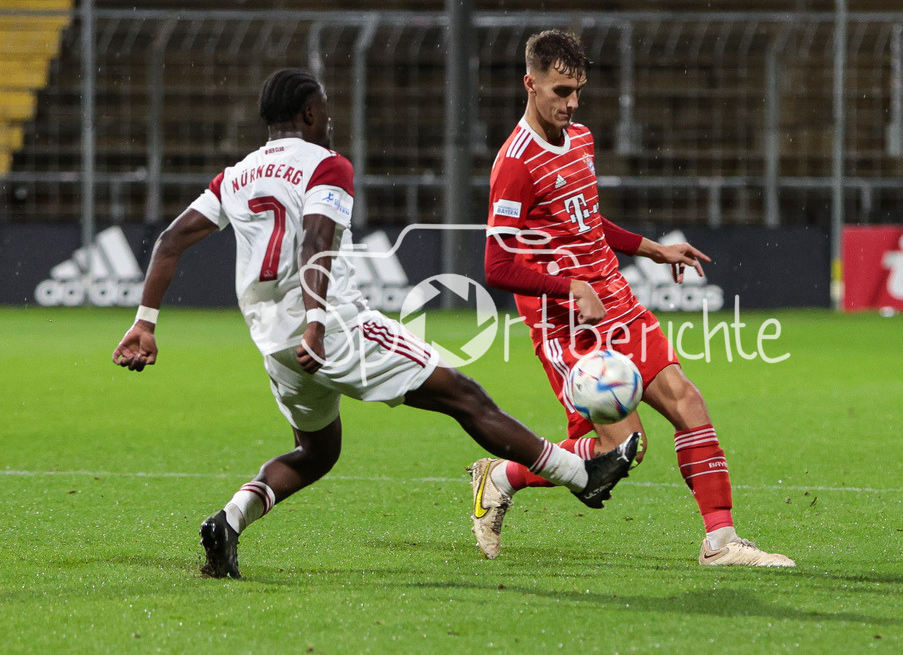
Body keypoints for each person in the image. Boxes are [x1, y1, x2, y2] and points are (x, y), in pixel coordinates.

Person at [112, 68, 639, 579]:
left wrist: (145, 323)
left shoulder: (235, 175)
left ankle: (229, 520)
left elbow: (169, 241)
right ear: (310, 112)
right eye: (327, 111)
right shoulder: (327, 165)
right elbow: (315, 241)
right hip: (335, 329)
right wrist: (317, 322)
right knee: (464, 395)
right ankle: (581, 475)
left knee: (318, 451)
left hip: (274, 343)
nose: (332, 121)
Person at [471, 30, 794, 567]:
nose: (570, 103)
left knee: (688, 402)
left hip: (616, 300)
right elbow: (496, 266)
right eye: (559, 91)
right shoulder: (514, 164)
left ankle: (720, 542)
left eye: (577, 91)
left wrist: (653, 250)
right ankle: (502, 474)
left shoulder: (581, 139)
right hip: (564, 324)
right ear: (530, 84)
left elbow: (588, 223)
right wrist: (570, 287)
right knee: (622, 451)